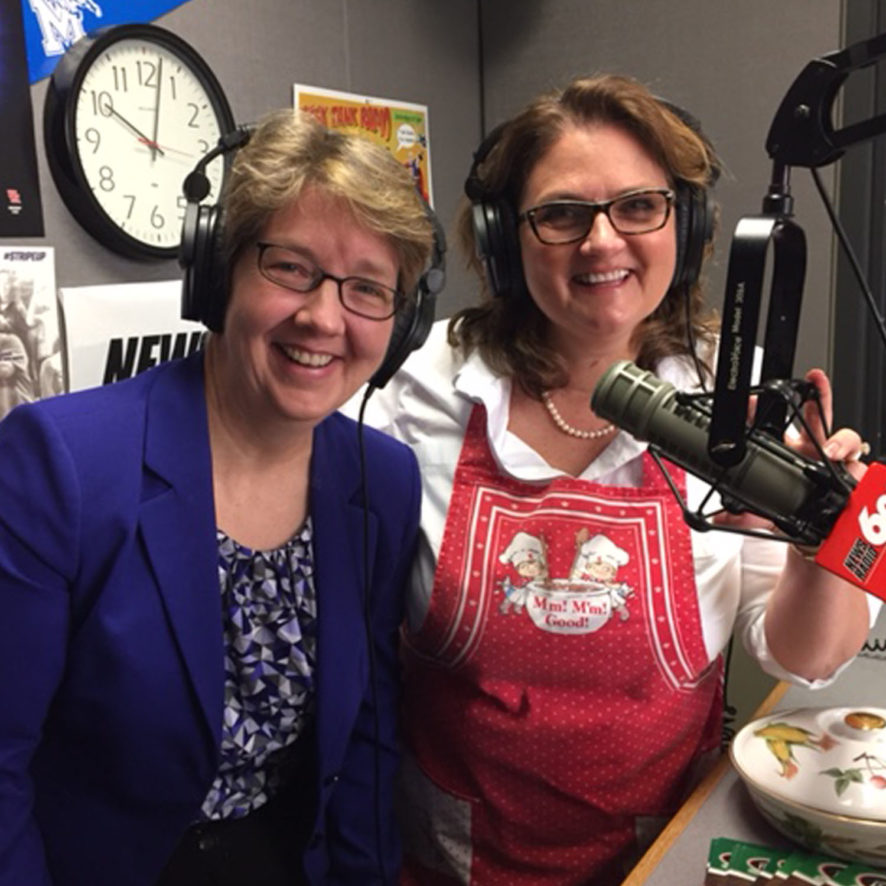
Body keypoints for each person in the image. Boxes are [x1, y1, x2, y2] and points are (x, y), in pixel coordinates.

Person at [356, 74, 880, 884]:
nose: (602, 242)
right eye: (562, 214)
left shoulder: (735, 396)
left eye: (639, 206)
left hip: (656, 858)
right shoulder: (422, 390)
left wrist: (822, 541)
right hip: (451, 864)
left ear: (688, 223)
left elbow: (800, 657)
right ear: (505, 238)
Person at [0, 109, 435, 886]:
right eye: (291, 267)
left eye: (368, 288)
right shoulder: (59, 462)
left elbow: (367, 736)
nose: (323, 317)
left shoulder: (382, 480)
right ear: (216, 271)